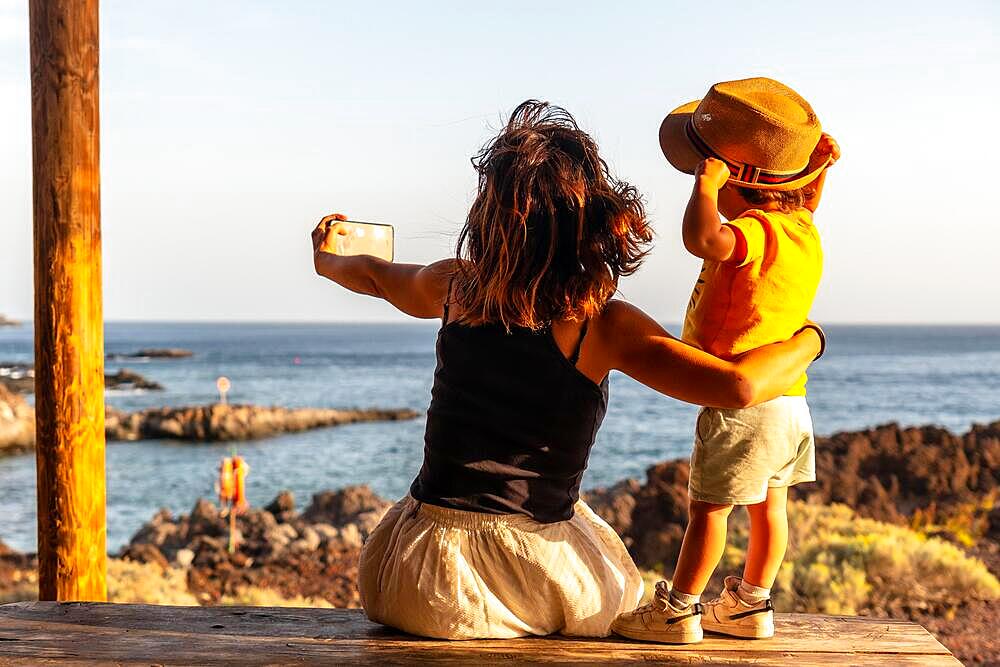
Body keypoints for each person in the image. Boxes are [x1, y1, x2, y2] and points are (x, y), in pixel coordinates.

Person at [311, 100, 824, 640]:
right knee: (620, 600)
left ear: (490, 216)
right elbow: (738, 386)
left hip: (414, 578)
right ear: (594, 217)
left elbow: (372, 274)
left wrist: (327, 259)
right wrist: (810, 340)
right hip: (525, 576)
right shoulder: (602, 325)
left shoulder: (454, 286)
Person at [613, 78, 839, 644]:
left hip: (740, 402)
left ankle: (678, 610)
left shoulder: (755, 232)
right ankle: (749, 604)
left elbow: (702, 240)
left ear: (739, 182)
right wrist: (818, 171)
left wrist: (705, 189)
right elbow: (805, 197)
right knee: (770, 508)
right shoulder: (803, 227)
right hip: (789, 398)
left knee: (709, 511)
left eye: (710, 167)